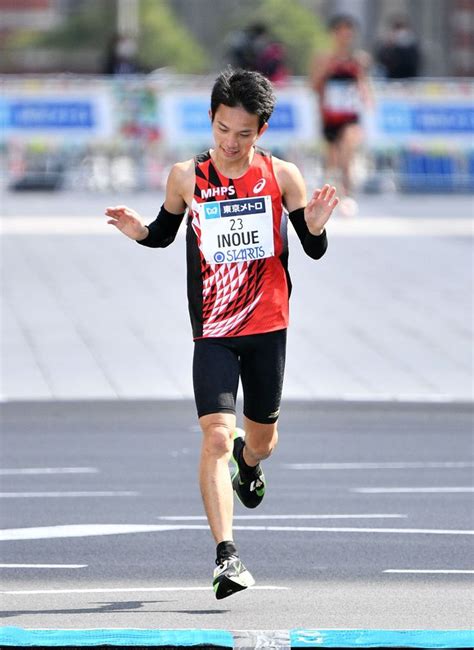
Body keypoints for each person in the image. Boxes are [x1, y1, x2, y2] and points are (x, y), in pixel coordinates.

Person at [105, 68, 338, 599]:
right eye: (221, 130)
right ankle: (226, 557)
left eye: (243, 134)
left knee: (260, 441)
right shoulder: (187, 176)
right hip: (212, 329)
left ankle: (249, 466)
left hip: (267, 327)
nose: (231, 144)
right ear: (210, 122)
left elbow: (313, 248)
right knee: (214, 435)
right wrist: (137, 230)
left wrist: (318, 225)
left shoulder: (283, 176)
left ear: (262, 130)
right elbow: (164, 234)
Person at [310, 15, 371, 216]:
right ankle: (328, 197)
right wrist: (328, 69)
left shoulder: (358, 60)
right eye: (340, 31)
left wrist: (367, 99)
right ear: (333, 34)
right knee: (333, 159)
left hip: (350, 116)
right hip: (331, 116)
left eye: (348, 31)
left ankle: (348, 195)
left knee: (348, 151)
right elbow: (314, 86)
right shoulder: (323, 58)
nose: (345, 35)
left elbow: (363, 85)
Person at [374, 15, 421, 79]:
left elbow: (414, 63)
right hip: (392, 79)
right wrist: (389, 47)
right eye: (397, 27)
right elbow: (381, 60)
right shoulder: (387, 43)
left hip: (410, 79)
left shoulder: (412, 43)